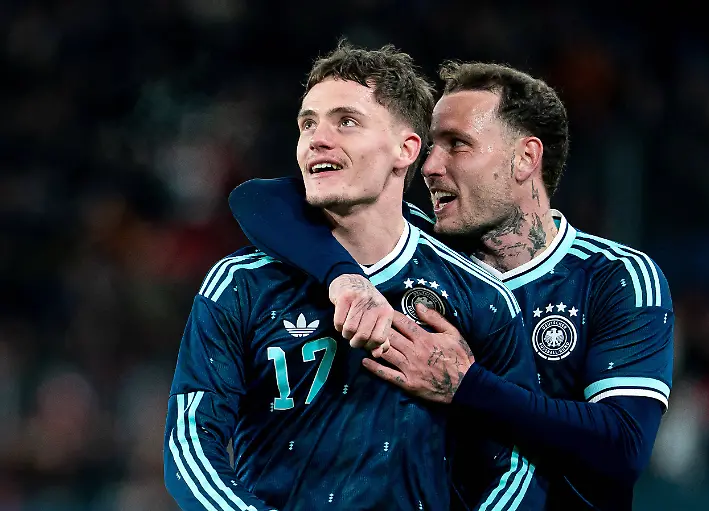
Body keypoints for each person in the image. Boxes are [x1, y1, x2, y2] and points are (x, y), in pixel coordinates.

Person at [230, 61, 675, 510]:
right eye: (431, 145)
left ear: (525, 158)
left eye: (457, 146)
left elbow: (623, 447)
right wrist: (344, 277)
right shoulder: (418, 255)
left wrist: (467, 387)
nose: (430, 165)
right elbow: (261, 198)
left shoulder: (613, 277)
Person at [164, 43, 544, 511]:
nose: (317, 139)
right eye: (307, 123)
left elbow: (518, 464)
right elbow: (190, 445)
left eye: (346, 121)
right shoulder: (241, 284)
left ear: (406, 149)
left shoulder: (480, 296)